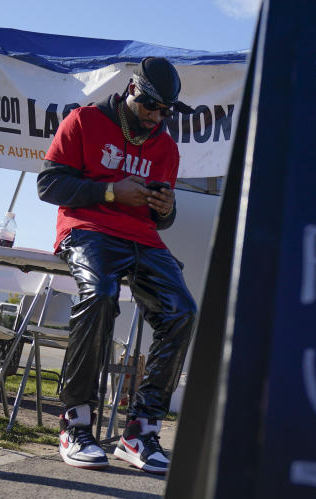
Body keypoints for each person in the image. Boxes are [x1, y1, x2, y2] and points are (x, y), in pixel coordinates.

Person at [37, 57, 197, 474]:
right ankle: (75, 422)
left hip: (143, 238)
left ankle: (140, 432)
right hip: (87, 227)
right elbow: (49, 184)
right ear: (131, 89)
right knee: (102, 293)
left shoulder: (166, 146)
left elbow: (162, 218)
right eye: (150, 105)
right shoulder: (83, 121)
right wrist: (110, 193)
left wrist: (166, 208)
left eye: (165, 110)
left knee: (182, 312)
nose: (156, 116)